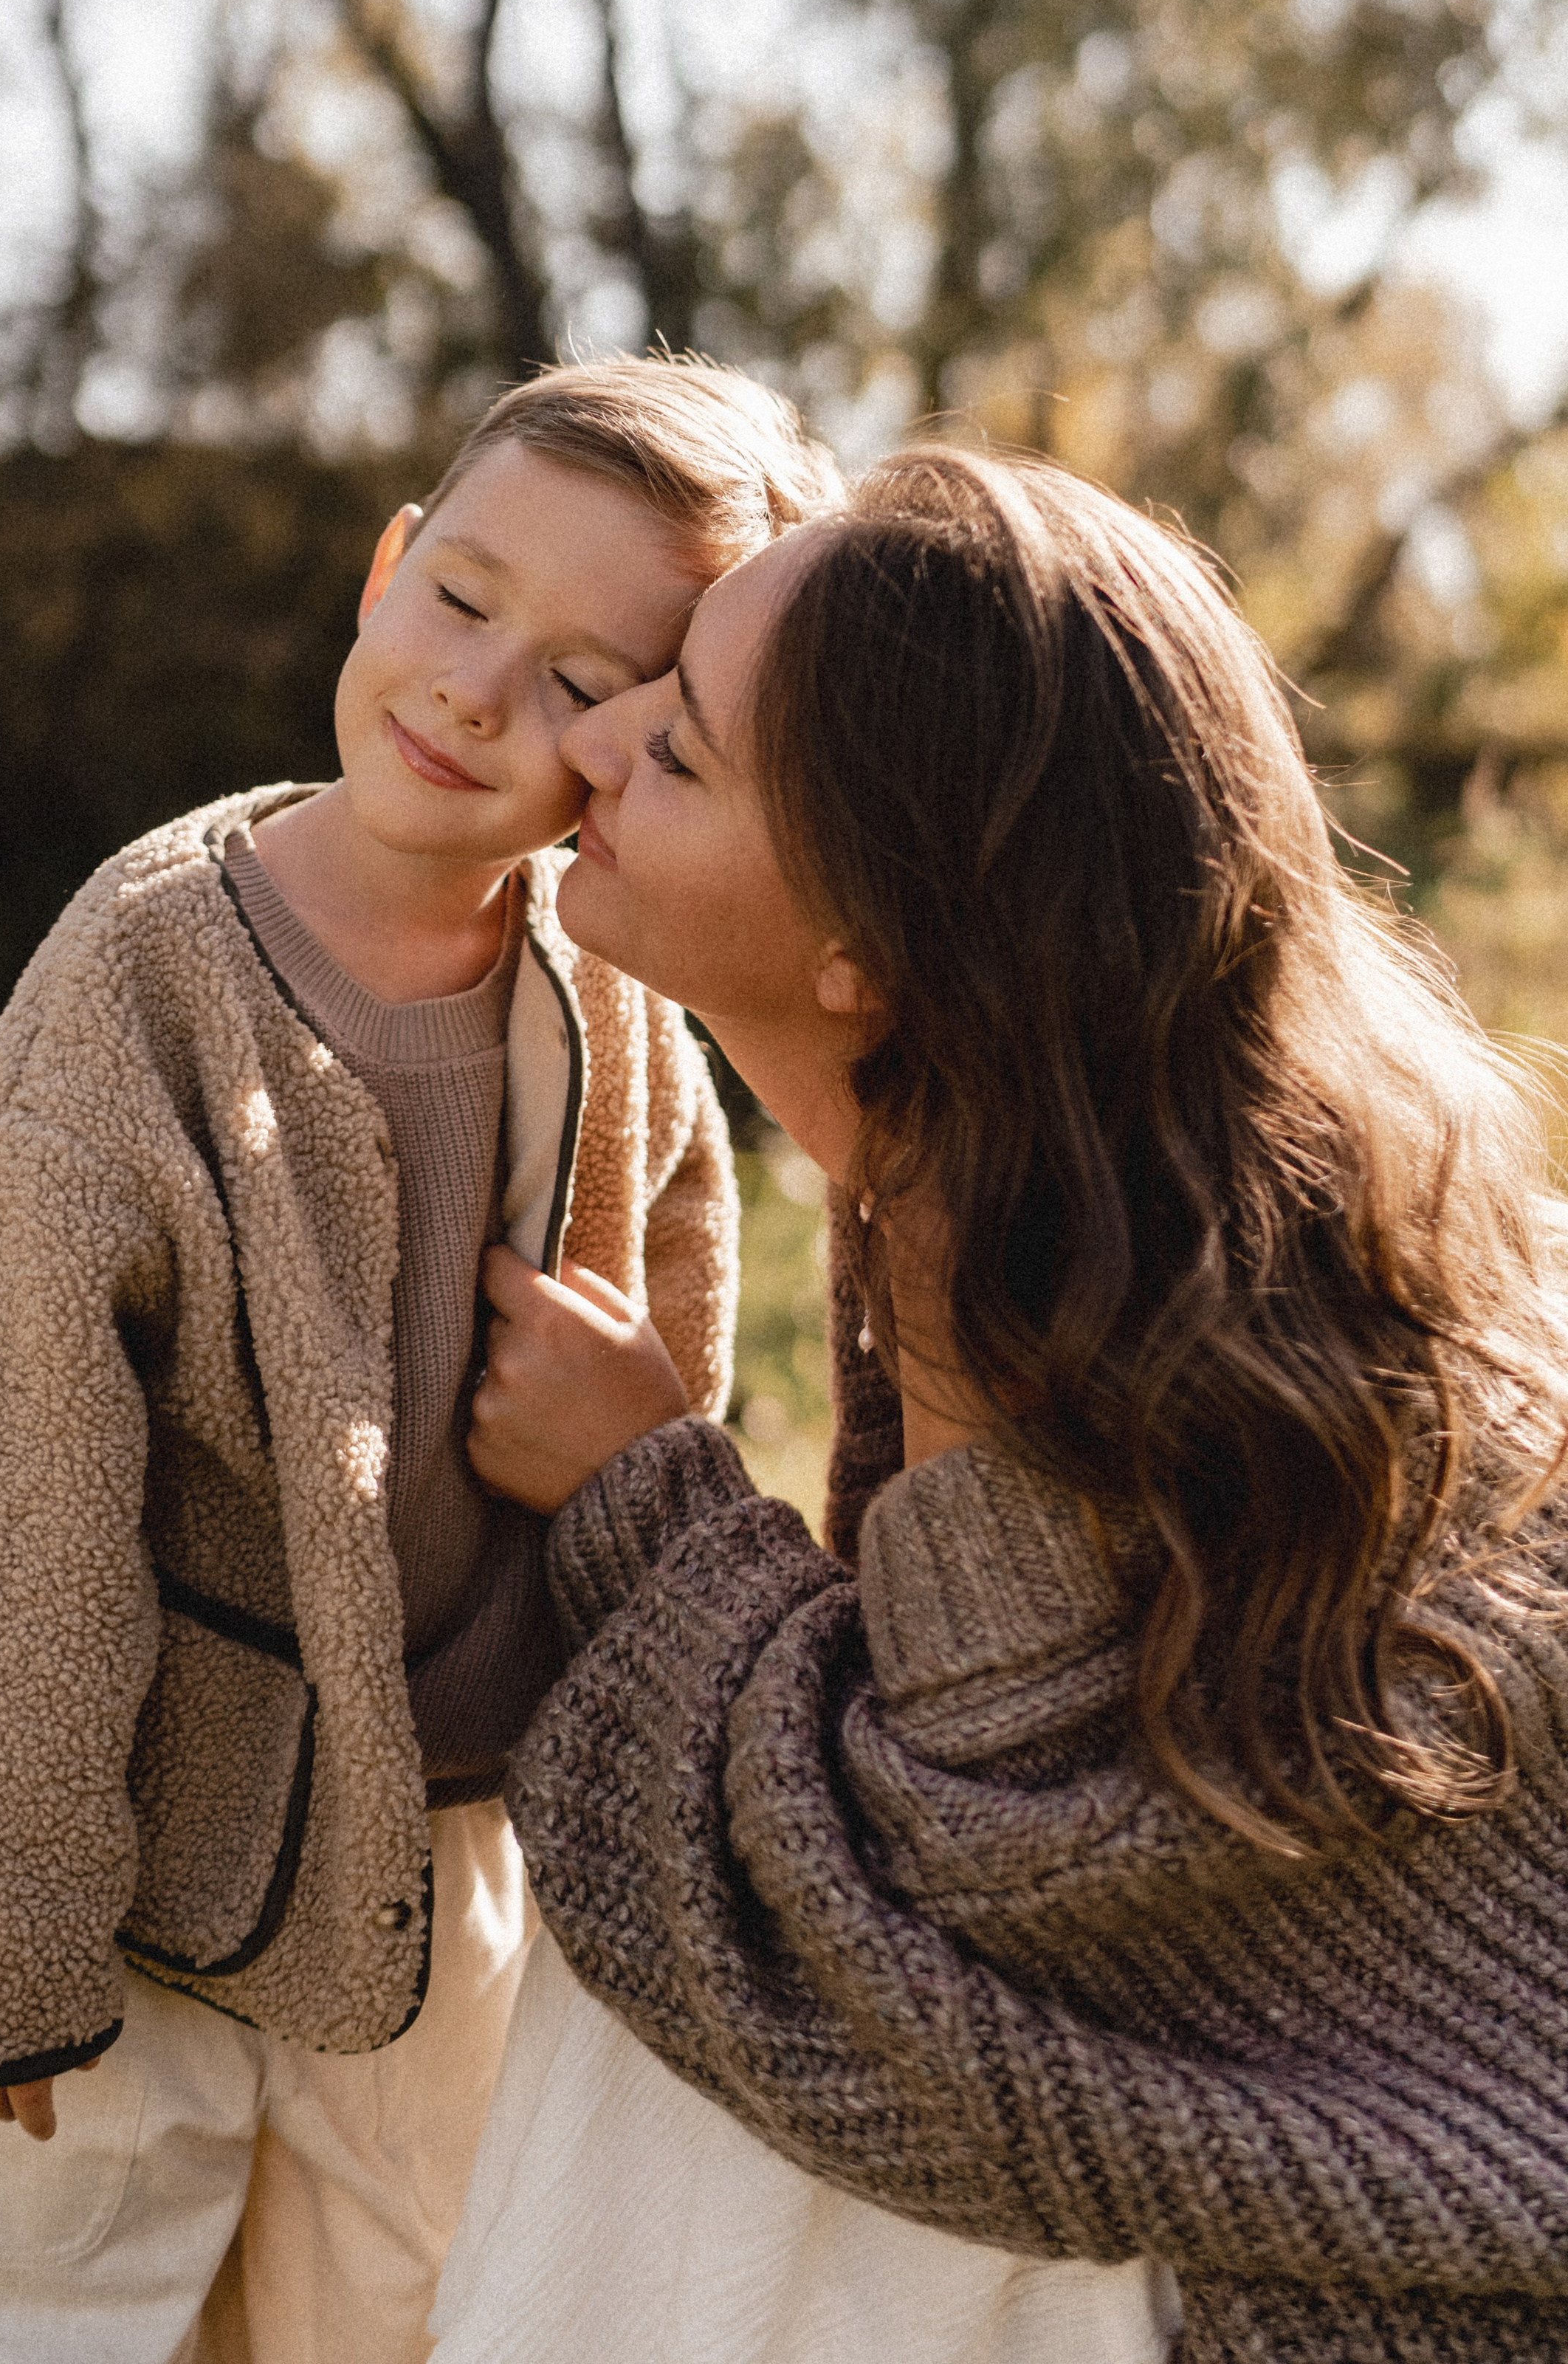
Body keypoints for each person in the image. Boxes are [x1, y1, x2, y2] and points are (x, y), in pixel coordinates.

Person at [438, 441, 1568, 2364]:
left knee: (677, 2002)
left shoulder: (1024, 1269)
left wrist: (647, 1505)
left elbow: (950, 1904)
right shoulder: (1196, 1161)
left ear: (866, 956)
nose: (598, 741)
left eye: (683, 749)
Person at [0, 355, 845, 2364]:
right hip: (118, 1823)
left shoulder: (611, 996)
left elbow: (677, 1315)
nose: (476, 691)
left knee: (394, 2299)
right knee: (61, 2300)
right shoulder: (142, 984)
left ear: (649, 747)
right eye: (461, 599)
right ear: (386, 568)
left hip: (439, 1828)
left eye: (579, 679)